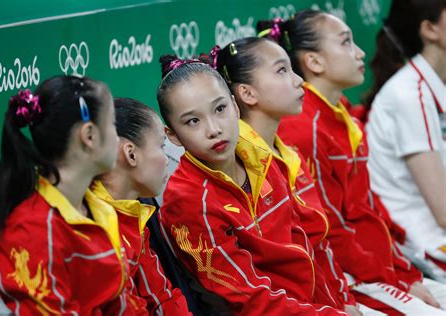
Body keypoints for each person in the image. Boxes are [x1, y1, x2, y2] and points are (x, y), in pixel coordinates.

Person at [258, 11, 445, 313]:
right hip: (352, 276)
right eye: (346, 43)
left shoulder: (341, 111)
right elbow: (329, 231)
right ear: (314, 62)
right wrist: (392, 276)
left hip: (383, 263)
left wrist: (403, 272)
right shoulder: (305, 128)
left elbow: (368, 210)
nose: (359, 52)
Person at [156, 54, 347, 315]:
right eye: (193, 121)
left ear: (235, 106)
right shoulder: (189, 203)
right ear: (173, 136)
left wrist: (339, 303)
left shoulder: (264, 160)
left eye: (220, 109)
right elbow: (249, 298)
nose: (213, 129)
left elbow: (311, 241)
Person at [211, 37, 369, 315]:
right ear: (247, 94)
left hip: (331, 298)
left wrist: (344, 300)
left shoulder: (289, 154)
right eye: (282, 70)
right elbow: (272, 276)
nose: (299, 81)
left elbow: (319, 243)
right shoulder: (242, 169)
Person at [0, 76, 142, 314]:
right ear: (89, 136)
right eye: (113, 125)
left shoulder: (97, 206)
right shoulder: (31, 231)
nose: (118, 139)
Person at [365, 0, 446, 279]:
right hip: (424, 248)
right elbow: (443, 213)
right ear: (430, 29)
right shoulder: (410, 95)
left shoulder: (434, 84)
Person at [91, 97, 192, 315]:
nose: (167, 160)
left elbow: (161, 297)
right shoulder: (97, 237)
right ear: (130, 154)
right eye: (160, 145)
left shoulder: (131, 215)